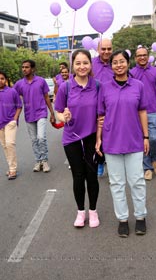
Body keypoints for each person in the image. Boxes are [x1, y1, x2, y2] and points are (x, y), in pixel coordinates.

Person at [96, 50, 149, 237]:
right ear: (111, 66)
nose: (118, 65)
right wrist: (99, 140)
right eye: (115, 62)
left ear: (128, 63)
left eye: (122, 61)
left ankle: (141, 217)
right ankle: (123, 220)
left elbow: (142, 111)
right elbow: (101, 115)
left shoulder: (138, 86)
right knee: (116, 183)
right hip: (112, 142)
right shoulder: (104, 87)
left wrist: (146, 136)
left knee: (137, 181)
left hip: (134, 141)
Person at [54, 49, 100, 228]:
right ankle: (81, 212)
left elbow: (102, 113)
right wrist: (62, 117)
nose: (82, 66)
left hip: (91, 137)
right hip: (71, 138)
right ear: (73, 65)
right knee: (78, 176)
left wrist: (100, 138)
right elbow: (58, 111)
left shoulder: (97, 86)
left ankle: (93, 211)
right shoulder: (65, 87)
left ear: (90, 64)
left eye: (85, 63)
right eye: (78, 63)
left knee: (92, 176)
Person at [130, 46, 156, 181]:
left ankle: (153, 158)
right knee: (142, 140)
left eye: (144, 55)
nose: (142, 57)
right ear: (135, 58)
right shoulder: (131, 73)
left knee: (153, 138)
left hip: (153, 111)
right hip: (137, 113)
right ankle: (147, 167)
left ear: (148, 56)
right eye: (139, 55)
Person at [14, 59, 55, 173]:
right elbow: (13, 96)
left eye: (26, 67)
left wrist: (52, 113)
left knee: (41, 137)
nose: (24, 69)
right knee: (34, 140)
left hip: (41, 113)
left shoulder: (41, 81)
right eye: (23, 67)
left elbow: (47, 97)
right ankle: (38, 161)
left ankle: (45, 160)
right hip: (29, 115)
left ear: (32, 69)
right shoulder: (19, 84)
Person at [92, 38, 114, 177]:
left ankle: (111, 164)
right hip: (94, 106)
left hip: (113, 106)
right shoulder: (91, 64)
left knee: (111, 136)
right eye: (103, 49)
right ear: (98, 49)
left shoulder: (117, 62)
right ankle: (100, 161)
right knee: (97, 136)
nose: (106, 52)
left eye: (109, 49)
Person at [0, 71, 22, 180]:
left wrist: (15, 119)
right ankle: (10, 167)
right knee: (4, 146)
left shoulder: (12, 91)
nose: (0, 80)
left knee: (10, 144)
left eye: (2, 78)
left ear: (6, 79)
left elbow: (19, 106)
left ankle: (13, 170)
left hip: (10, 122)